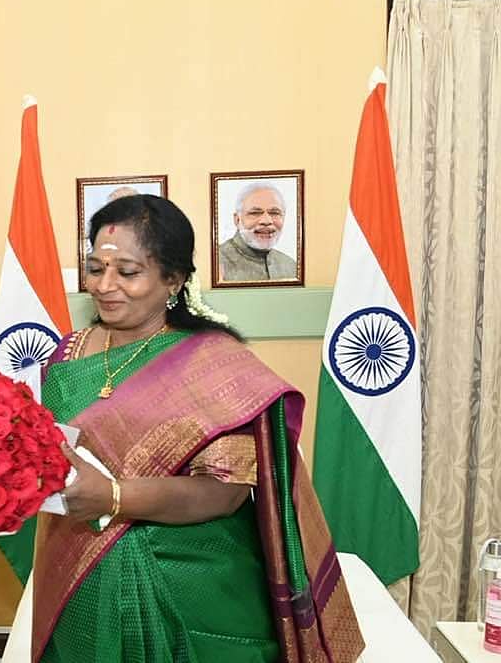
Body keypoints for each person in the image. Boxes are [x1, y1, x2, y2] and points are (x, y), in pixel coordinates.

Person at [32, 194, 363, 662]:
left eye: (127, 272)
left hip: (188, 588)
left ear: (174, 279)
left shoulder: (212, 363)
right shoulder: (67, 354)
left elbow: (224, 491)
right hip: (80, 576)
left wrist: (113, 497)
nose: (105, 285)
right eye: (94, 268)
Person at [219, 182, 297, 281]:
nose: (266, 221)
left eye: (274, 213)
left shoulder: (290, 266)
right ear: (237, 220)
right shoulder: (215, 262)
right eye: (255, 213)